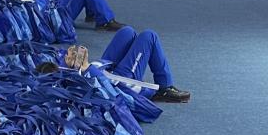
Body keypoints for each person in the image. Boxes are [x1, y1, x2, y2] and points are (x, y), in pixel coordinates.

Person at [62, 30, 191, 104]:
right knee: (149, 36)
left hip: (98, 74)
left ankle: (87, 69)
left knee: (127, 32)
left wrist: (75, 68)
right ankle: (165, 88)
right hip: (114, 87)